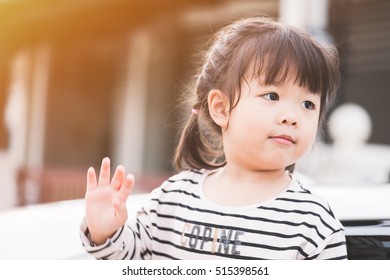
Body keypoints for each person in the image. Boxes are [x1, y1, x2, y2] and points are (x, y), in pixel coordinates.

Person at [80, 16, 347, 260]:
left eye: (309, 104)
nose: (292, 117)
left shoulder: (314, 222)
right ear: (220, 107)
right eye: (272, 96)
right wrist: (105, 233)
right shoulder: (173, 198)